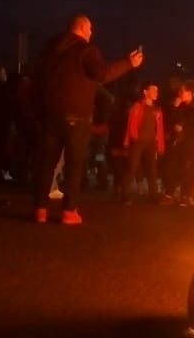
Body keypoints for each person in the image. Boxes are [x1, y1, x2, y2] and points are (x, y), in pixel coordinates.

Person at [32, 14, 142, 225]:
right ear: (81, 27)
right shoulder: (85, 50)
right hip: (76, 115)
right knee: (75, 164)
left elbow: (37, 81)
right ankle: (69, 211)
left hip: (50, 115)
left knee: (46, 163)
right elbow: (102, 74)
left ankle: (40, 209)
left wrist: (39, 111)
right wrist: (129, 62)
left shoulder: (49, 52)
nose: (91, 33)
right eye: (90, 28)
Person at [121, 80, 164, 204]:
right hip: (138, 141)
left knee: (152, 169)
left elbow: (159, 129)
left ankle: (154, 196)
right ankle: (124, 195)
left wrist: (159, 145)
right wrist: (130, 140)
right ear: (145, 92)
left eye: (157, 90)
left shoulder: (157, 109)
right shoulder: (137, 106)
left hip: (151, 142)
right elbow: (131, 125)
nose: (156, 92)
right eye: (153, 90)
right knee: (132, 167)